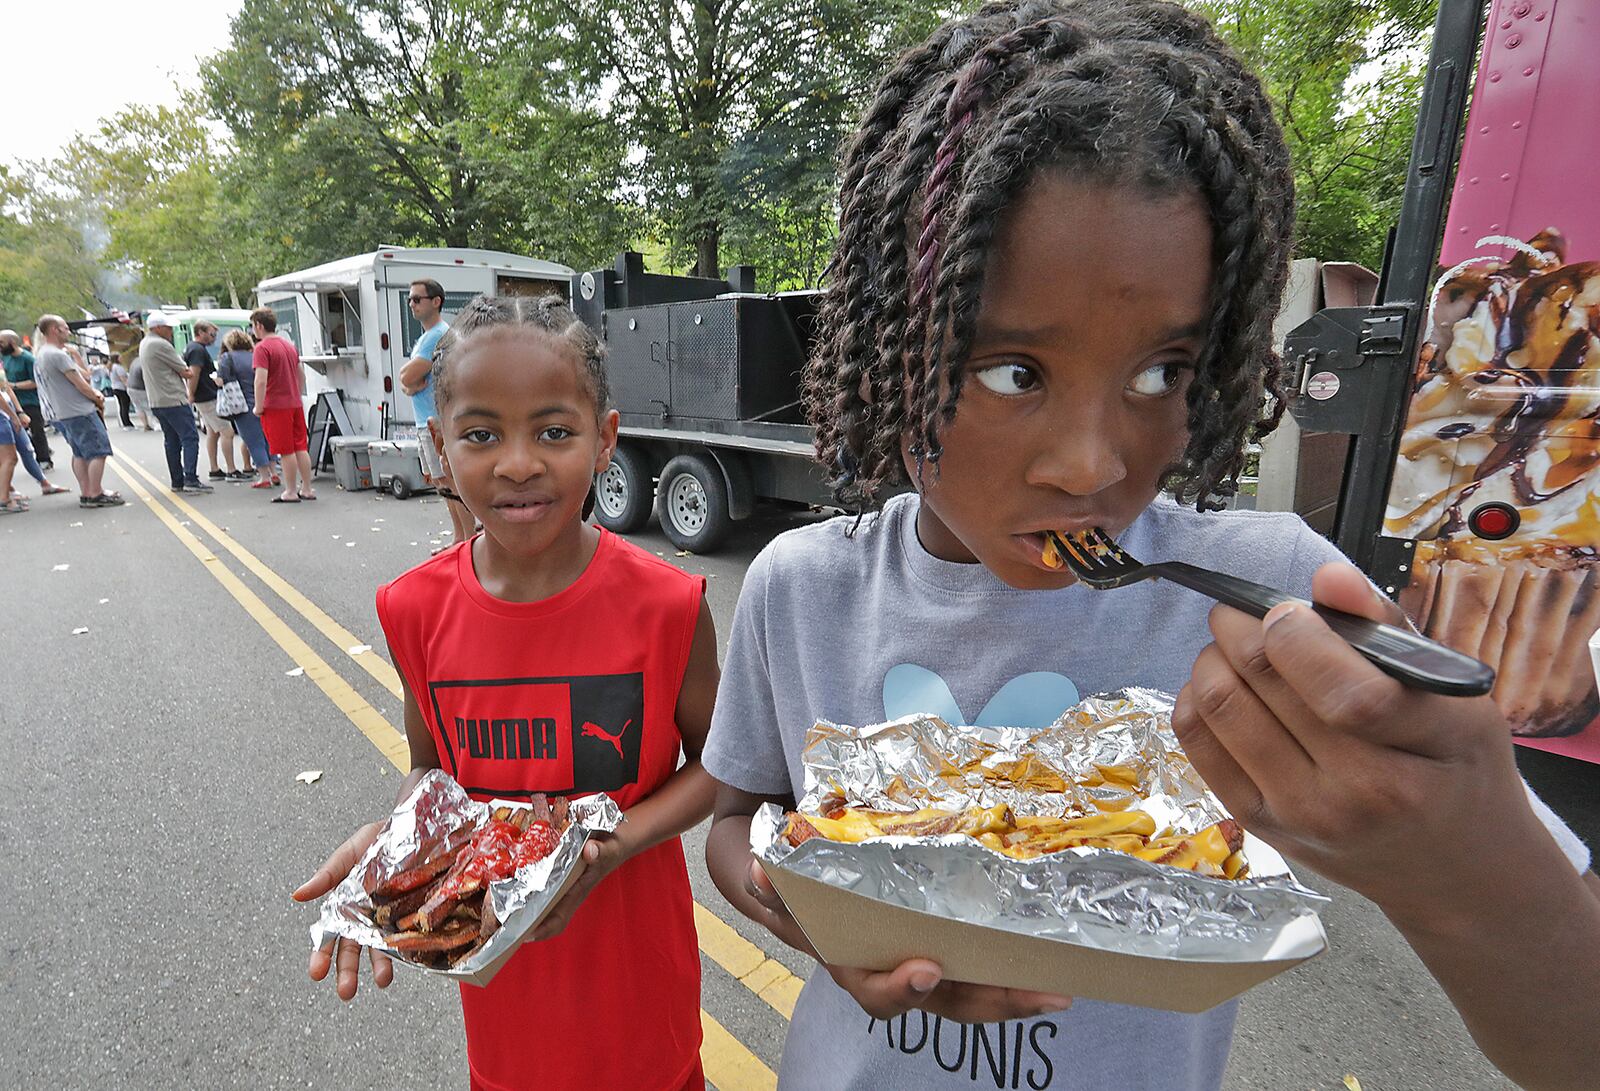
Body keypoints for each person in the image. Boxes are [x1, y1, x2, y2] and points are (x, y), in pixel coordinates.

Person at [698, 4, 1600, 1090]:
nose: (1089, 464)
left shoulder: (1268, 601)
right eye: (1012, 371)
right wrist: (806, 918)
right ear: (889, 347)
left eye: (1160, 371)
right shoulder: (802, 588)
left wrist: (1466, 861)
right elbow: (739, 823)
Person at [292, 295, 720, 1090]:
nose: (518, 462)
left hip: (643, 1007)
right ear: (438, 448)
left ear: (606, 442)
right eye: (481, 433)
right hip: (506, 1018)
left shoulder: (670, 604)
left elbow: (722, 763)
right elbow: (430, 773)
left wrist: (611, 849)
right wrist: (394, 845)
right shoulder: (411, 609)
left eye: (554, 431)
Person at [398, 278, 469, 544]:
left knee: (451, 483)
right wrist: (410, 383)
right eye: (410, 300)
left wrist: (410, 382)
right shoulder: (425, 338)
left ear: (436, 301)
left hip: (437, 422)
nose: (411, 304)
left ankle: (466, 539)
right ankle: (458, 538)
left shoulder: (438, 334)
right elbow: (406, 380)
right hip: (424, 421)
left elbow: (407, 377)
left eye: (417, 299)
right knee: (442, 484)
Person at [33, 315, 123, 508]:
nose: (68, 331)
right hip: (79, 410)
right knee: (98, 451)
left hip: (63, 412)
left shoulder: (42, 354)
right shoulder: (57, 355)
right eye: (65, 328)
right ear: (54, 330)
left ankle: (87, 491)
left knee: (80, 453)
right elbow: (81, 384)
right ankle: (96, 493)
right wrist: (96, 397)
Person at [141, 312, 211, 493]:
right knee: (190, 437)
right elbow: (186, 371)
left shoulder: (145, 343)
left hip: (157, 400)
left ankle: (177, 480)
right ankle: (190, 478)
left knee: (171, 441)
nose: (171, 331)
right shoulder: (161, 345)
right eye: (168, 328)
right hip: (173, 398)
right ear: (158, 328)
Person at [250, 306, 314, 502]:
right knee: (300, 447)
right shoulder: (289, 346)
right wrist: (296, 392)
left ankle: (291, 491)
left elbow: (261, 380)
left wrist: (258, 406)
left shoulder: (262, 348)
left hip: (275, 405)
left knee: (285, 450)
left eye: (252, 326)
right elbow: (300, 375)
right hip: (294, 403)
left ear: (259, 325)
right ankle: (307, 488)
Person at [217, 328, 275, 489]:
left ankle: (264, 477)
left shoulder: (227, 358)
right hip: (263, 400)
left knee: (253, 441)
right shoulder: (255, 355)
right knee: (267, 439)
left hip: (243, 405)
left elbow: (222, 380)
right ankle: (274, 472)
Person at [185, 321, 240, 480]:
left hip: (204, 395)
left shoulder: (195, 348)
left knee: (212, 433)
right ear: (200, 332)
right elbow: (194, 374)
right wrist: (191, 394)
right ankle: (231, 469)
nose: (214, 338)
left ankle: (214, 468)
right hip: (207, 397)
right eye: (211, 334)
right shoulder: (197, 350)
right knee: (227, 431)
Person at [0, 376, 68, 499]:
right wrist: (14, 416)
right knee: (8, 458)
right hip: (3, 414)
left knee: (26, 449)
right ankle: (5, 494)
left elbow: (6, 388)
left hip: (8, 409)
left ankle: (43, 483)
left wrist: (18, 413)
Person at [1, 328, 53, 469]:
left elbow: (35, 381)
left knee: (37, 430)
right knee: (19, 432)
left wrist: (14, 385)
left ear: (12, 342)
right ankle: (42, 449)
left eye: (2, 342)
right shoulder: (4, 358)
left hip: (30, 401)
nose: (0, 346)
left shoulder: (28, 359)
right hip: (12, 402)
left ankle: (44, 459)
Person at [127, 355, 155, 430]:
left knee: (138, 407)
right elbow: (147, 378)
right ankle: (155, 424)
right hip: (140, 388)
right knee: (148, 407)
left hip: (130, 388)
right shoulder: (144, 364)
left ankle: (145, 425)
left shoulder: (135, 361)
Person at [109, 354, 133, 429]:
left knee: (122, 405)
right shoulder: (118, 367)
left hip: (115, 387)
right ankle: (127, 423)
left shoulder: (111, 367)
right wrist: (128, 386)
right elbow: (123, 378)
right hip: (121, 388)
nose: (122, 358)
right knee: (125, 405)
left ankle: (125, 422)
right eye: (120, 357)